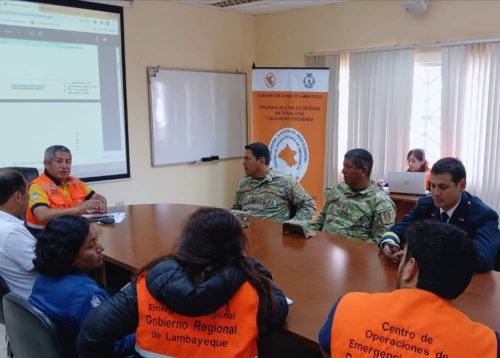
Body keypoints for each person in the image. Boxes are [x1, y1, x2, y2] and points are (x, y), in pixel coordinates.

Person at [77, 207, 289, 358]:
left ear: (188, 243)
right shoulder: (251, 290)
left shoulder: (149, 282)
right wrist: (251, 267)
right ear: (237, 248)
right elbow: (279, 307)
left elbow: (91, 335)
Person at [319, 221, 499, 357]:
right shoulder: (487, 345)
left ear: (410, 268)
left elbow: (326, 346)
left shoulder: (348, 307)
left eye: (403, 255)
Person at [29, 216, 135, 358]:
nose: (100, 248)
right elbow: (112, 348)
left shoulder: (42, 278)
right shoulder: (86, 295)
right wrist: (143, 335)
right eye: (91, 245)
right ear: (70, 257)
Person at [380, 157, 500, 272]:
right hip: (430, 277)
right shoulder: (426, 205)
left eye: (443, 187)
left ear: (462, 185)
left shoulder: (484, 215)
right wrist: (389, 244)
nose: (436, 193)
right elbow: (398, 230)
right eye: (432, 186)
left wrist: (421, 257)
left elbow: (481, 259)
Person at [308, 148, 396, 243]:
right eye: (343, 166)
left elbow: (378, 242)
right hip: (323, 247)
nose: (343, 171)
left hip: (354, 254)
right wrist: (308, 231)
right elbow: (322, 219)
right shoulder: (338, 189)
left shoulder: (381, 203)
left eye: (348, 167)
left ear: (363, 170)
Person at [26, 145, 107, 232]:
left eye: (68, 162)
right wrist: (78, 210)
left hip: (71, 232)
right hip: (47, 237)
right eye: (59, 161)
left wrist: (101, 203)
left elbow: (97, 197)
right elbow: (42, 215)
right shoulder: (37, 186)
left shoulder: (75, 182)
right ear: (46, 164)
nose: (64, 166)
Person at [231, 142, 316, 222]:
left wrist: (292, 225)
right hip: (247, 234)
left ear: (261, 161)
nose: (243, 163)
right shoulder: (243, 184)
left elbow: (309, 204)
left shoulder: (284, 181)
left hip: (275, 235)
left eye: (247, 159)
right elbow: (235, 211)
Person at [0, 169, 37, 299]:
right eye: (27, 190)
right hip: (41, 299)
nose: (29, 195)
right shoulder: (10, 232)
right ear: (18, 196)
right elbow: (46, 265)